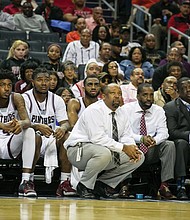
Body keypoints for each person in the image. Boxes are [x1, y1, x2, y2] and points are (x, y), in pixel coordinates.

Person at [64, 83, 144, 199]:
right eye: (113, 93)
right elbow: (97, 138)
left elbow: (126, 135)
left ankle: (102, 184)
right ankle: (84, 186)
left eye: (119, 94)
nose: (117, 96)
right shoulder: (94, 110)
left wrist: (131, 147)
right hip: (78, 150)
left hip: (104, 150)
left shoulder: (122, 112)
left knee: (139, 156)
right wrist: (123, 148)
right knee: (103, 153)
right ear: (103, 96)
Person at [22, 67, 75, 197]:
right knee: (34, 136)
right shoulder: (24, 98)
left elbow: (66, 122)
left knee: (67, 136)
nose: (44, 83)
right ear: (33, 82)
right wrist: (37, 126)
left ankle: (64, 182)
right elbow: (23, 123)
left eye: (47, 80)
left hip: (50, 139)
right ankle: (28, 181)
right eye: (40, 80)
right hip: (28, 140)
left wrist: (62, 128)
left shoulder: (57, 99)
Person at [123, 83, 176, 199]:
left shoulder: (159, 111)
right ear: (137, 96)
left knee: (169, 145)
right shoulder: (126, 109)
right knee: (125, 144)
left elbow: (164, 132)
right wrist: (141, 139)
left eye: (151, 95)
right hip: (133, 146)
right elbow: (124, 133)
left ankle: (164, 185)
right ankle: (124, 184)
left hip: (152, 148)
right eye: (145, 95)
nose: (148, 98)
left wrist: (154, 141)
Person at [0, 69, 36, 197]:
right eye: (2, 85)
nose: (6, 89)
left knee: (29, 131)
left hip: (10, 143)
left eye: (9, 85)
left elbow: (27, 120)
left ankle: (26, 181)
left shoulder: (16, 97)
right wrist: (2, 125)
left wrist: (20, 124)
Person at [164, 77, 190, 200]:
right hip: (180, 141)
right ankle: (181, 185)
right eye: (185, 88)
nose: (189, 90)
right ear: (178, 91)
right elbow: (172, 131)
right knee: (181, 144)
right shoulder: (170, 107)